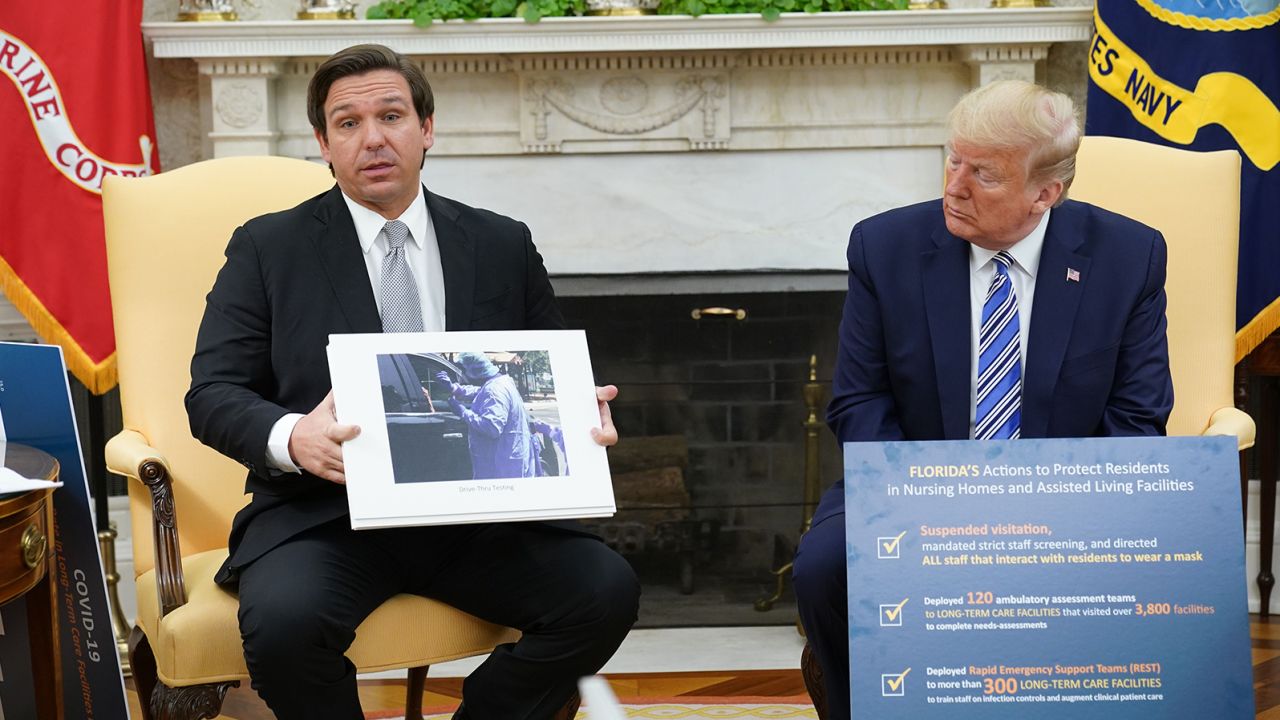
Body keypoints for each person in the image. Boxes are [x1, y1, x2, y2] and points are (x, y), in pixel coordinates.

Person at [186, 43, 639, 720]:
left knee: (604, 591)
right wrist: (293, 437)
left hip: (478, 517)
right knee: (284, 627)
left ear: (426, 129)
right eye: (348, 123)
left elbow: (551, 367)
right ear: (324, 143)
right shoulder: (267, 248)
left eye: (392, 115)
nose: (373, 138)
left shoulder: (499, 243)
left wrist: (582, 415)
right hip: (326, 515)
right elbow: (212, 393)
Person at [791, 80, 1174, 719]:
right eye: (953, 159)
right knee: (822, 567)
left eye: (985, 175)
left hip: (1068, 502)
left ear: (1045, 192)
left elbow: (1137, 417)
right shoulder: (884, 247)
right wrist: (939, 502)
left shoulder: (1128, 257)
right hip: (911, 485)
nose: (955, 185)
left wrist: (1037, 520)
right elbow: (858, 402)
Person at [436, 352, 539, 479]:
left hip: (502, 466)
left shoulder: (495, 390)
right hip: (508, 459)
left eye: (465, 370)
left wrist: (463, 412)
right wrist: (454, 388)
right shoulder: (500, 382)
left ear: (475, 370)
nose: (463, 375)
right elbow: (480, 391)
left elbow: (491, 428)